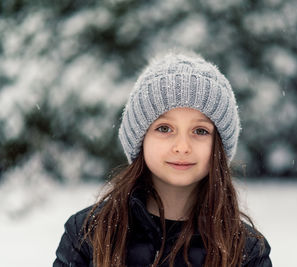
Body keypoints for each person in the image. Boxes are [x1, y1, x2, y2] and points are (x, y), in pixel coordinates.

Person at [53, 51, 272, 267]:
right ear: (140, 138)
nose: (182, 147)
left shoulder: (246, 250)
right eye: (164, 128)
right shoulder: (88, 234)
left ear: (220, 146)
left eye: (200, 131)